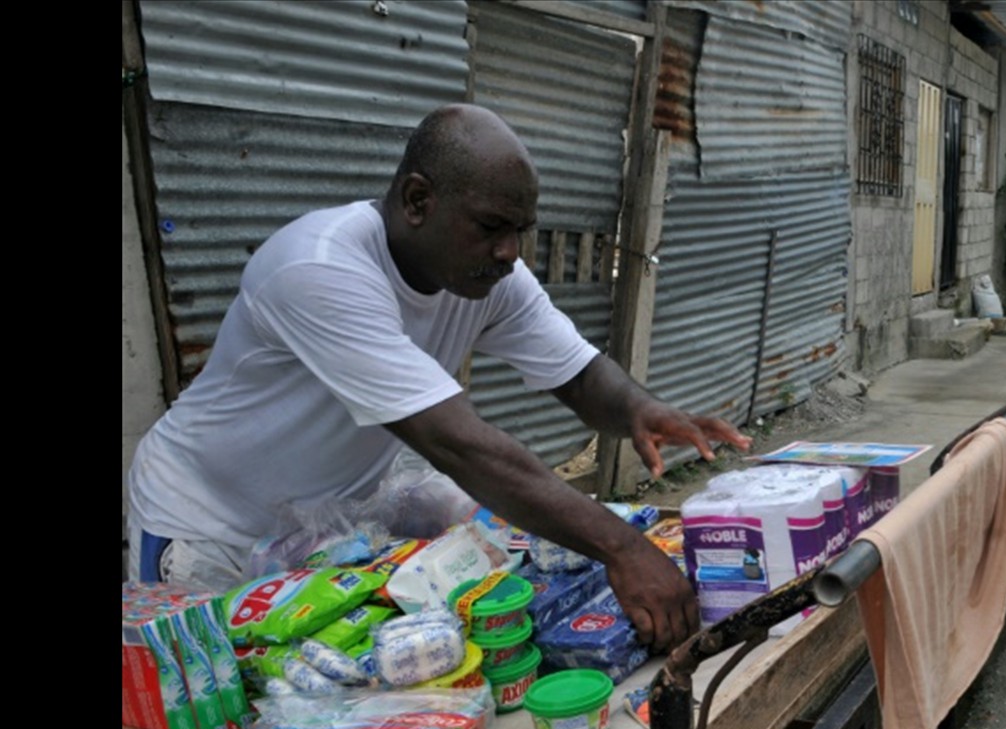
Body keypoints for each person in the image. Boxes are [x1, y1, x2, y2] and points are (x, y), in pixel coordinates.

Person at [126, 103, 750, 653]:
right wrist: (623, 548)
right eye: (491, 227)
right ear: (418, 200)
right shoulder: (319, 268)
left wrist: (641, 410)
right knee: (214, 716)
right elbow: (457, 444)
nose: (511, 251)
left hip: (319, 531)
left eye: (520, 232)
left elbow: (581, 375)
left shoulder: (484, 275)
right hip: (208, 529)